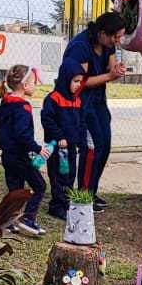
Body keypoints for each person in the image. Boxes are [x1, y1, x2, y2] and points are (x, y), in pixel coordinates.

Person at [61, 11, 128, 210]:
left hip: (98, 101)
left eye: (120, 36)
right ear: (102, 33)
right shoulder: (80, 47)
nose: (118, 41)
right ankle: (83, 194)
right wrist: (109, 76)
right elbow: (79, 82)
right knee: (92, 148)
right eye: (116, 37)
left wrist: (116, 70)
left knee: (104, 146)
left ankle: (91, 190)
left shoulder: (108, 44)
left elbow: (111, 66)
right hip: (81, 103)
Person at [0, 64, 48, 236]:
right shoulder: (23, 107)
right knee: (39, 186)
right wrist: (37, 148)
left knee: (15, 190)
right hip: (19, 156)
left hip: (7, 155)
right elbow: (21, 134)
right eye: (34, 82)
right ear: (25, 85)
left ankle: (7, 221)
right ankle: (28, 219)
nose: (35, 86)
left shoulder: (6, 101)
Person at [40, 60, 86, 221]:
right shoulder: (53, 98)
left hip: (71, 147)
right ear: (66, 79)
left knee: (70, 175)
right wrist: (59, 136)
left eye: (80, 81)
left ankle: (66, 204)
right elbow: (47, 120)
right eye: (75, 81)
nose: (78, 85)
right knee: (58, 176)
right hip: (57, 148)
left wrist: (81, 141)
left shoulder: (77, 100)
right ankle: (57, 206)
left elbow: (81, 122)